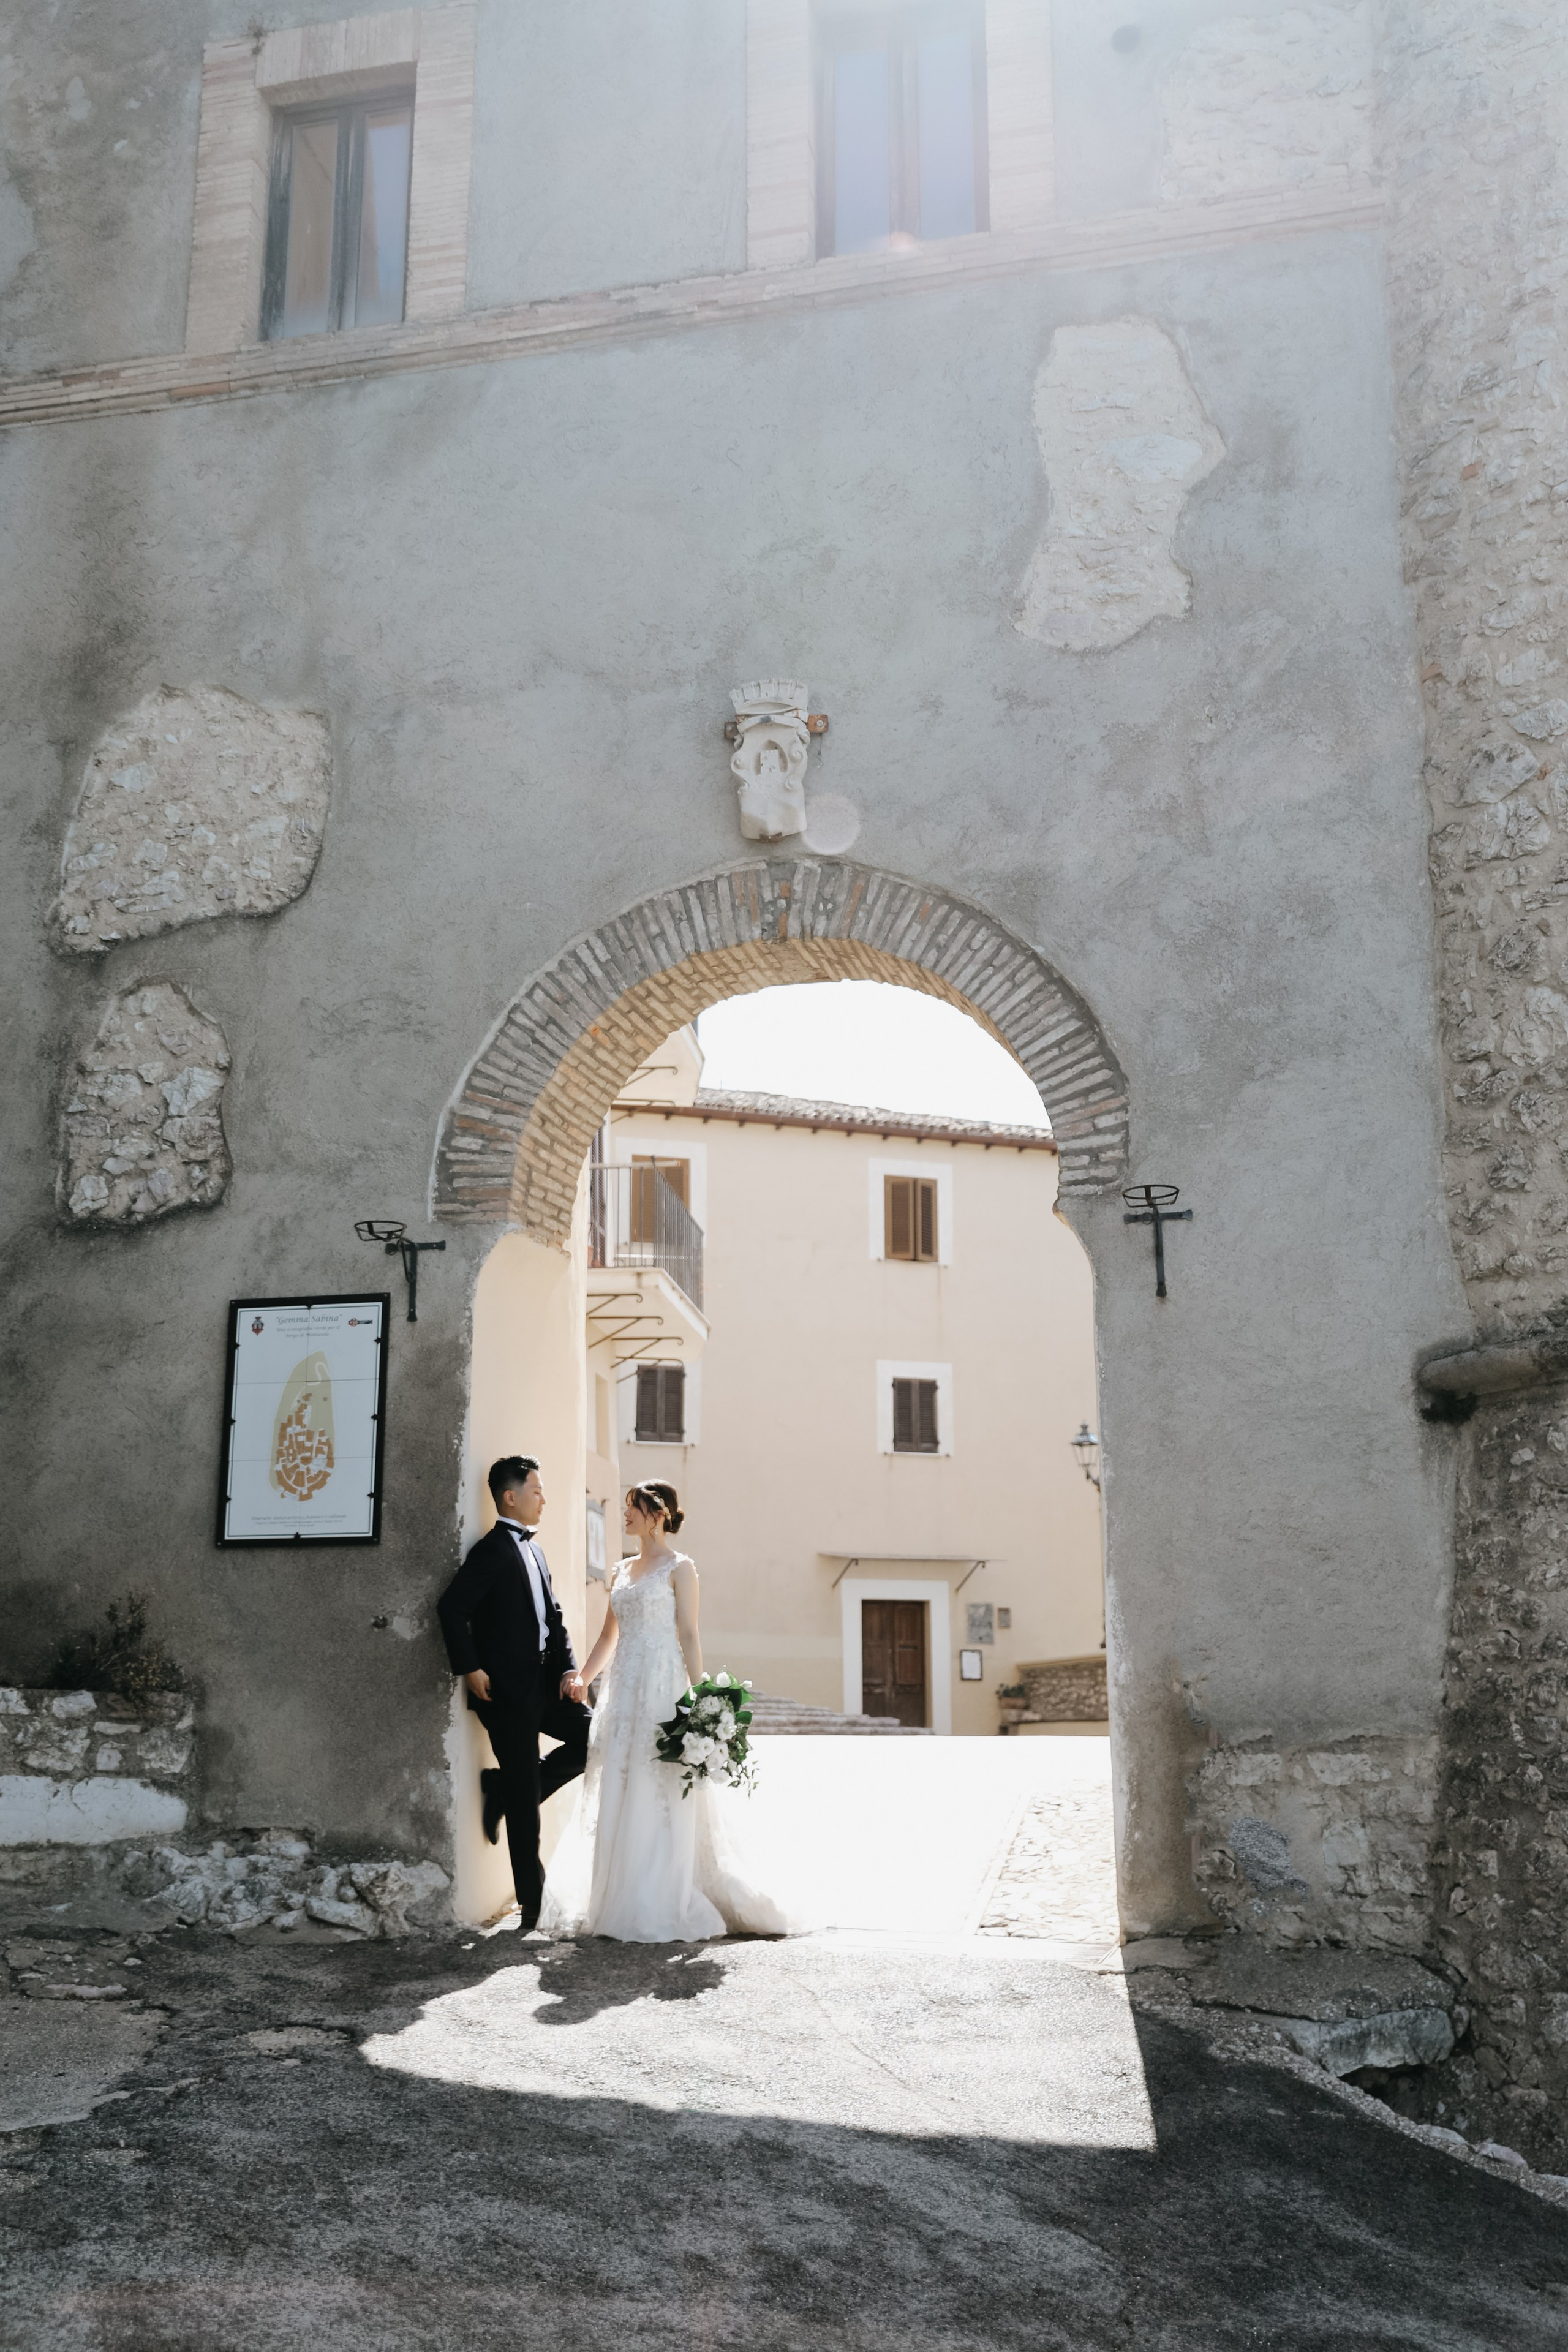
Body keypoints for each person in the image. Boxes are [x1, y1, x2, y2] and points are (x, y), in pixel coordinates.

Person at [539, 1481, 799, 1942]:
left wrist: (699, 1696)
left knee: (658, 1783)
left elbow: (689, 1634)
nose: (625, 1515)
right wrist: (583, 1676)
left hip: (662, 1688)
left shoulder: (681, 1568)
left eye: (633, 1508)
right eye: (624, 1509)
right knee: (621, 1780)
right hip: (622, 1693)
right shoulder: (620, 1570)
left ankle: (660, 1895)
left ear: (657, 1513)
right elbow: (607, 1639)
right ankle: (618, 1896)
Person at [436, 1456, 592, 1929]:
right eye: (537, 1490)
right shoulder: (491, 1551)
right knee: (528, 1809)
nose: (543, 1497)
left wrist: (568, 1673)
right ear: (511, 1496)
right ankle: (533, 1906)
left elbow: (555, 1620)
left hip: (547, 1686)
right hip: (504, 1694)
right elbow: (451, 1608)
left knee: (594, 1738)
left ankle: (504, 1789)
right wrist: (471, 1668)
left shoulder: (536, 1552)